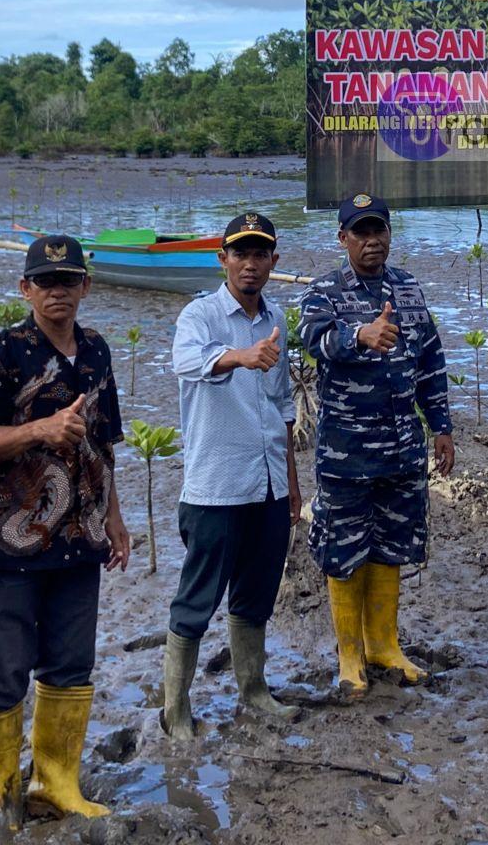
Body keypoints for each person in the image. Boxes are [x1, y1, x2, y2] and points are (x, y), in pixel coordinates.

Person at [0, 234, 129, 833]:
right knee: (5, 667)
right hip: (13, 540)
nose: (56, 292)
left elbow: (104, 442)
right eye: (44, 282)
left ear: (86, 286)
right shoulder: (1, 353)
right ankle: (3, 791)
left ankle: (57, 782)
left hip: (81, 535)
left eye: (68, 281)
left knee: (71, 662)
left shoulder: (97, 351)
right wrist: (39, 431)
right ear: (25, 289)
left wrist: (115, 520)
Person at [299, 194, 455, 696]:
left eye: (379, 231)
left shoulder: (408, 288)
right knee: (344, 551)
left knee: (391, 545)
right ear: (342, 237)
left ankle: (384, 645)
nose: (372, 241)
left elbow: (430, 361)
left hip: (402, 449)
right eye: (361, 232)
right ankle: (349, 656)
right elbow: (312, 340)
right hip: (347, 452)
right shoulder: (324, 291)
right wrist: (358, 335)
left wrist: (442, 427)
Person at [161, 212, 301, 738]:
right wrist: (240, 356)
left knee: (255, 594)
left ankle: (254, 690)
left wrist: (291, 482)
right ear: (222, 259)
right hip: (215, 486)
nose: (250, 263)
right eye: (240, 253)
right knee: (196, 600)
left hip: (268, 484)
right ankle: (175, 711)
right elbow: (185, 363)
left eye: (260, 253)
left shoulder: (277, 320)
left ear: (273, 262)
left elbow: (284, 403)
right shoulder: (199, 316)